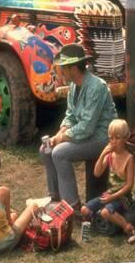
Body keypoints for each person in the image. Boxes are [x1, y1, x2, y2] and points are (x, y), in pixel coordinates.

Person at [40, 43, 117, 210]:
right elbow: (71, 116)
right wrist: (59, 133)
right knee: (46, 149)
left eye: (63, 68)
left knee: (60, 153)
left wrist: (62, 138)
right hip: (85, 135)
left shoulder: (97, 86)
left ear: (73, 69)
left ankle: (72, 207)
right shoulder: (74, 86)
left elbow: (87, 127)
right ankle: (54, 199)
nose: (60, 71)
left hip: (101, 138)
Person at [81, 119, 135, 244]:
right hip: (109, 195)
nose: (113, 141)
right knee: (84, 210)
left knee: (106, 211)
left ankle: (131, 230)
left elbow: (129, 185)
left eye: (117, 138)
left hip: (123, 198)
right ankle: (99, 222)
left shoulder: (129, 158)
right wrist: (103, 154)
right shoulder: (110, 155)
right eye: (111, 138)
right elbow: (97, 173)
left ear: (126, 138)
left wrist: (112, 197)